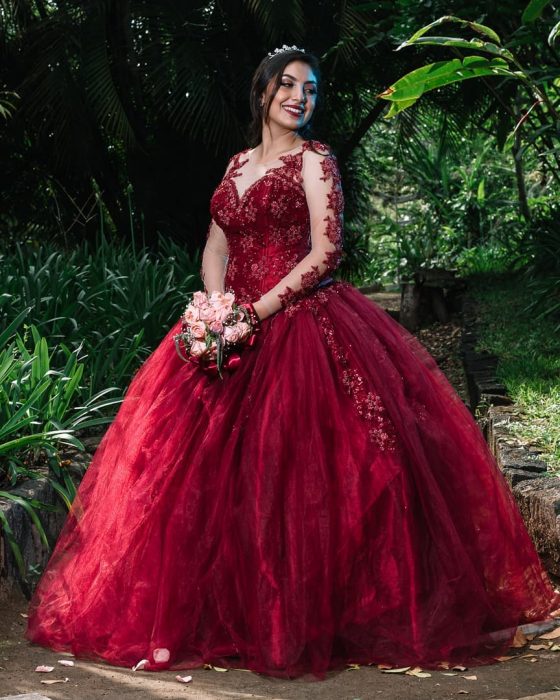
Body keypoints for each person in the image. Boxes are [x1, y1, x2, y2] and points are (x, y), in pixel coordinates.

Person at [25, 45, 560, 682]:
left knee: (311, 474)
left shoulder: (317, 160)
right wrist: (217, 308)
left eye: (309, 89)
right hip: (231, 326)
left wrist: (257, 312)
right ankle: (211, 618)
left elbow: (326, 252)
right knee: (201, 480)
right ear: (262, 93)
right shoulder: (237, 164)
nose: (299, 97)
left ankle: (321, 616)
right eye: (287, 85)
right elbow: (217, 241)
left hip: (302, 324)